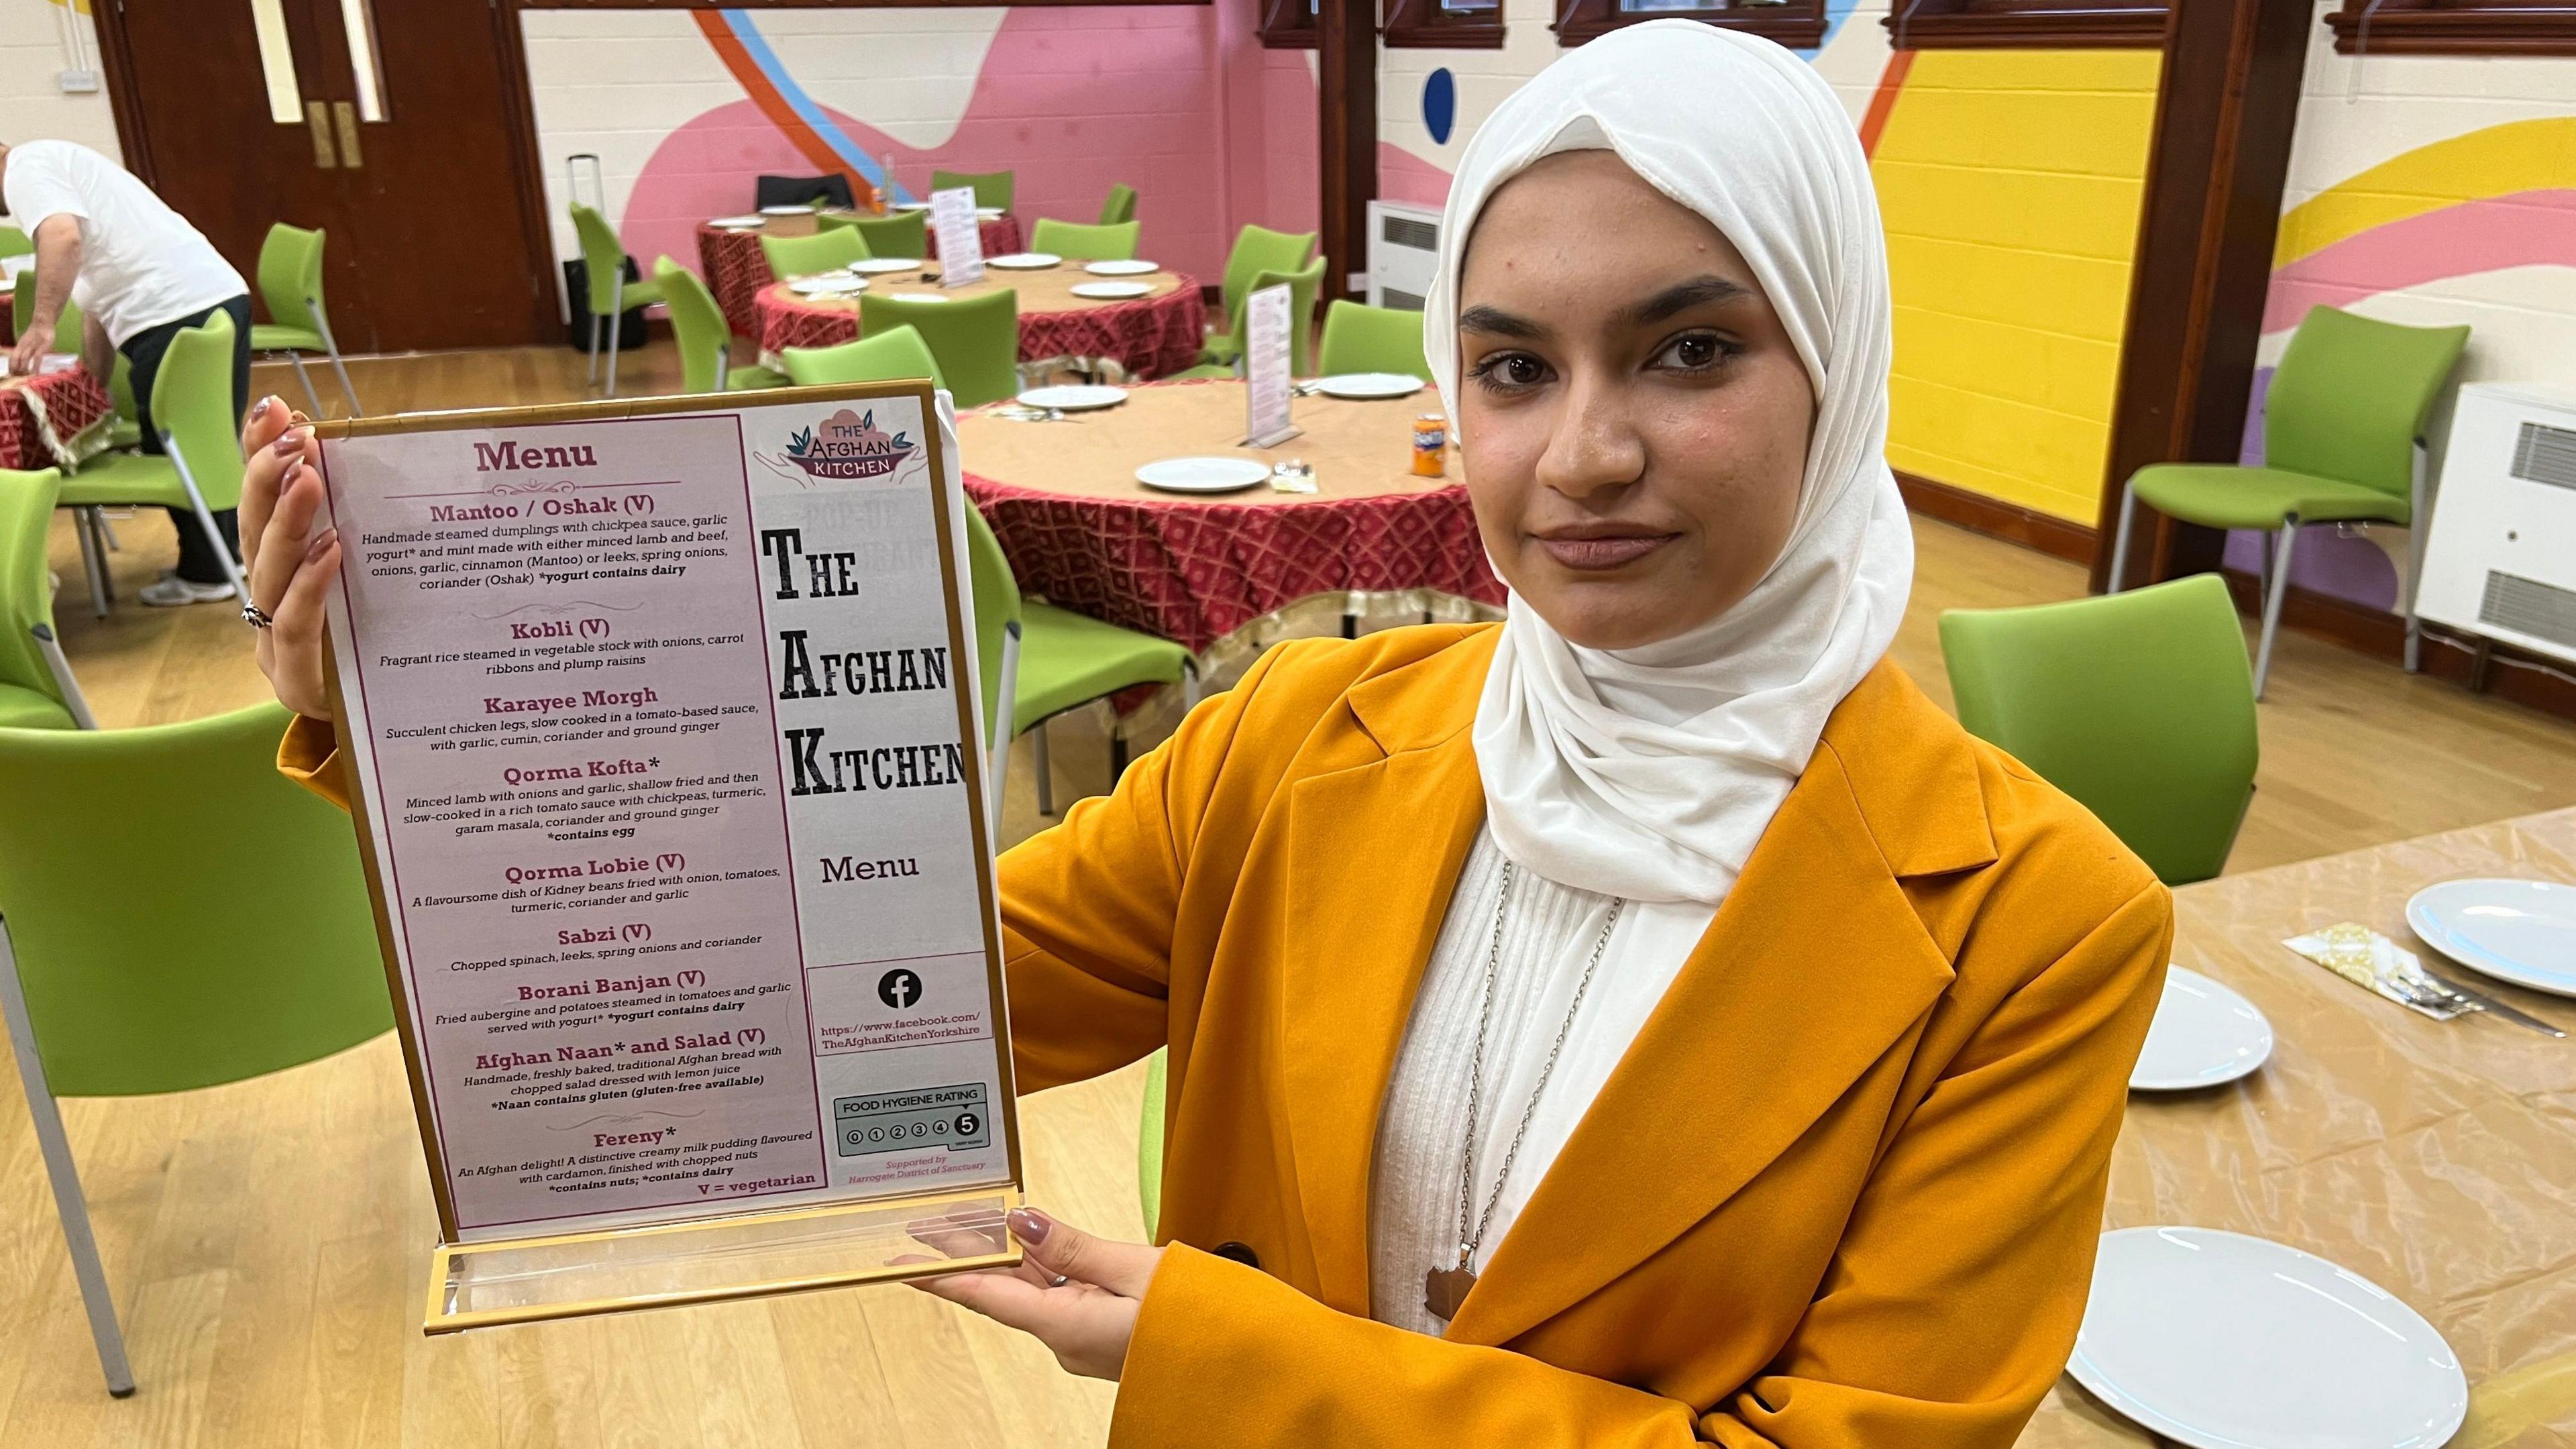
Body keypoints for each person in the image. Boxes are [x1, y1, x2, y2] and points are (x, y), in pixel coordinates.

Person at [241, 23, 2169, 1446]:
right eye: (1511, 367)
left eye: (1688, 349)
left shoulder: (2032, 927)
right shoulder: (1300, 741)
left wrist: (1211, 1344)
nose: (1580, 455)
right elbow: (850, 1014)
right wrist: (435, 742)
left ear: (1841, 365)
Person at [1, 136, 253, 606]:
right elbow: (96, 303)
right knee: (200, 440)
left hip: (175, 312)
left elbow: (63, 240)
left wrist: (41, 325)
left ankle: (208, 571)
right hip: (208, 299)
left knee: (175, 443)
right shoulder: (58, 166)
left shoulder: (24, 170)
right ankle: (223, 558)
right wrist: (93, 383)